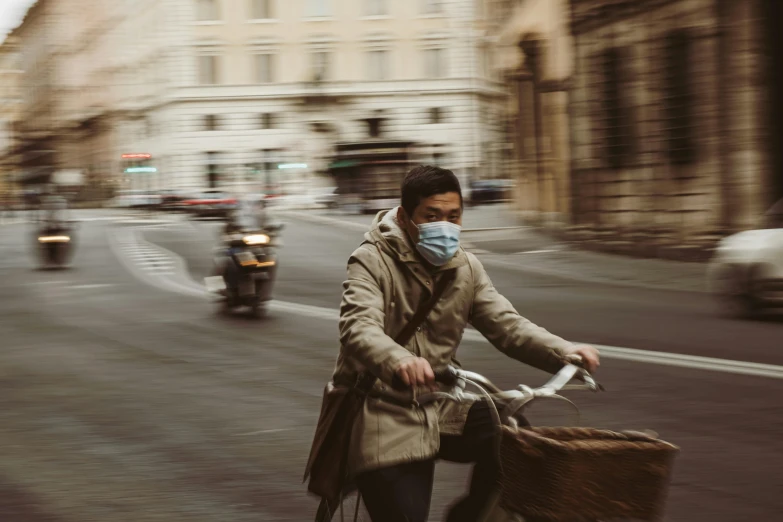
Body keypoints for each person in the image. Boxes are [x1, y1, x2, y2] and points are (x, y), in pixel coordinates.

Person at [308, 165, 600, 522]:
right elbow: (358, 326)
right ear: (405, 217)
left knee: (514, 438)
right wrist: (399, 360)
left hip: (443, 403)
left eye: (453, 216)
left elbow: (507, 324)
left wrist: (564, 351)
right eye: (432, 216)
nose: (444, 226)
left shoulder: (466, 267)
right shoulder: (371, 260)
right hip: (383, 409)